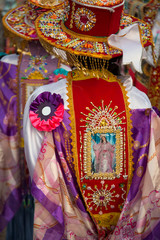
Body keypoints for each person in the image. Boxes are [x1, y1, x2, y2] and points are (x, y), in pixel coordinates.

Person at [23, 0, 160, 239]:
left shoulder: (44, 101)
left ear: (69, 46)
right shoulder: (141, 102)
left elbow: (39, 170)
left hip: (67, 227)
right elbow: (150, 180)